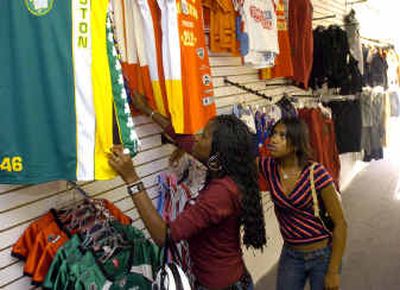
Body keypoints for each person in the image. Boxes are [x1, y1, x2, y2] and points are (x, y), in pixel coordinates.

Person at [108, 94, 267, 289]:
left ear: (218, 151)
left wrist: (132, 178)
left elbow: (163, 236)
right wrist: (147, 110)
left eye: (205, 136)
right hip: (229, 278)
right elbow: (181, 139)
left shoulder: (221, 193)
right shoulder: (227, 170)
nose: (197, 138)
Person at [259, 117, 347, 290]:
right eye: (274, 133)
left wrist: (333, 271)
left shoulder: (316, 173)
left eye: (282, 136)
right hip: (291, 254)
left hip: (322, 254)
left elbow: (341, 224)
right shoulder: (268, 167)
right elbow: (236, 164)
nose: (274, 139)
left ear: (296, 144)